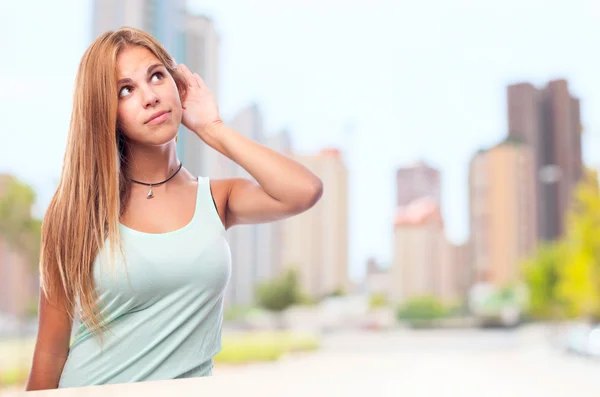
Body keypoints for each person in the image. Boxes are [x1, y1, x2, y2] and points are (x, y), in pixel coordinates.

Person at [25, 27, 323, 391]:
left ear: (177, 84)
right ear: (105, 112)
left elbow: (304, 190)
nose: (149, 97)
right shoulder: (76, 211)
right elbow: (50, 351)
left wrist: (213, 129)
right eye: (125, 90)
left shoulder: (217, 200)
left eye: (156, 76)